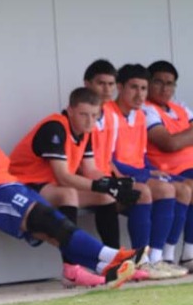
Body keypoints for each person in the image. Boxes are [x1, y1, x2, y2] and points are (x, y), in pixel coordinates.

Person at [0, 75, 139, 289]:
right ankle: (113, 256)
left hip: (12, 186)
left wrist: (112, 183)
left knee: (52, 225)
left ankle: (102, 267)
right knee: (46, 219)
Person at [8, 86, 141, 285]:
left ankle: (115, 264)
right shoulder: (55, 127)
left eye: (94, 115)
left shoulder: (85, 131)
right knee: (68, 194)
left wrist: (113, 184)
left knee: (105, 197)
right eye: (83, 114)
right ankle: (71, 269)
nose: (89, 121)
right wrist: (103, 185)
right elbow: (63, 177)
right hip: (21, 185)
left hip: (48, 186)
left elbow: (91, 170)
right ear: (70, 110)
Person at [106, 63, 188, 279]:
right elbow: (107, 160)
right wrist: (145, 175)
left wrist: (151, 171)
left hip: (136, 174)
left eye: (143, 88)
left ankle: (160, 258)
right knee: (155, 191)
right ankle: (141, 259)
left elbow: (141, 157)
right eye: (134, 87)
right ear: (120, 87)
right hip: (113, 176)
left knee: (181, 188)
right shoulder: (108, 114)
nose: (140, 94)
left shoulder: (139, 115)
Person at [144, 60, 193, 271]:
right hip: (166, 170)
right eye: (158, 82)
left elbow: (176, 140)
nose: (165, 88)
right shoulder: (146, 109)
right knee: (189, 187)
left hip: (189, 168)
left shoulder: (180, 108)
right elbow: (169, 143)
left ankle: (188, 253)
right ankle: (176, 255)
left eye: (170, 83)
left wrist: (182, 138)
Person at [83, 59, 122, 249]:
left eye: (111, 84)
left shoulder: (113, 116)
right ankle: (114, 254)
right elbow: (77, 164)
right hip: (80, 179)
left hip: (101, 176)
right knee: (106, 195)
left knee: (141, 194)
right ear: (87, 84)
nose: (107, 89)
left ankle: (148, 256)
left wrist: (121, 179)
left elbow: (108, 158)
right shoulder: (78, 116)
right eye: (101, 83)